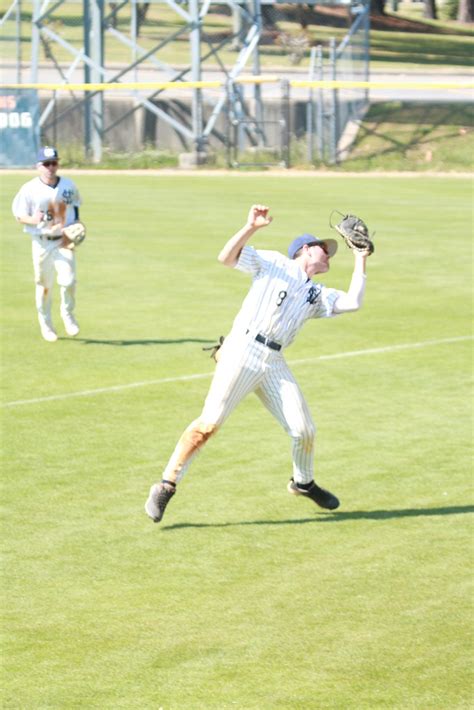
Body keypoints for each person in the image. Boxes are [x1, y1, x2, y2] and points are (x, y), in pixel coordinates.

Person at [145, 204, 371, 523]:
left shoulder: (318, 295)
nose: (330, 254)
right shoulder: (275, 262)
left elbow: (353, 302)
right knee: (209, 423)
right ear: (304, 250)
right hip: (242, 349)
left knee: (304, 429)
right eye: (325, 248)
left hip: (274, 361)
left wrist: (361, 258)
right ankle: (166, 484)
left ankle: (303, 483)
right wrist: (250, 227)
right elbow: (226, 258)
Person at [11, 146, 82, 342]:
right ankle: (46, 323)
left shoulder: (68, 185)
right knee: (44, 286)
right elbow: (19, 215)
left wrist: (75, 229)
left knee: (68, 281)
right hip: (41, 243)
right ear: (38, 166)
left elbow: (74, 211)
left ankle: (68, 314)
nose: (51, 167)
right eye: (46, 163)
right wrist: (33, 220)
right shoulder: (29, 189)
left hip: (63, 240)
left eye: (54, 163)